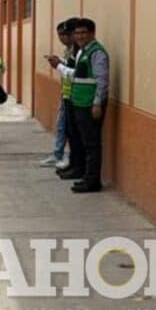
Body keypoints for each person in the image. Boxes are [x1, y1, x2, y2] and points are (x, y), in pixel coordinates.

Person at [48, 18, 108, 193]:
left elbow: (102, 80)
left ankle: (92, 180)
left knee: (91, 144)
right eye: (77, 33)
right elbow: (78, 75)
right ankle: (85, 175)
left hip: (89, 104)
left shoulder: (97, 53)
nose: (80, 36)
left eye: (83, 33)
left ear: (92, 33)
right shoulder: (83, 51)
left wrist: (97, 103)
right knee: (82, 141)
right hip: (79, 102)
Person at [39, 19, 78, 168]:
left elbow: (75, 73)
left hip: (75, 95)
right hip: (66, 93)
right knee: (62, 126)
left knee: (71, 129)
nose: (62, 38)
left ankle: (69, 157)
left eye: (64, 34)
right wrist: (59, 61)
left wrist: (58, 65)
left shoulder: (77, 51)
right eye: (60, 35)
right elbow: (68, 66)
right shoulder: (68, 50)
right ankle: (59, 154)